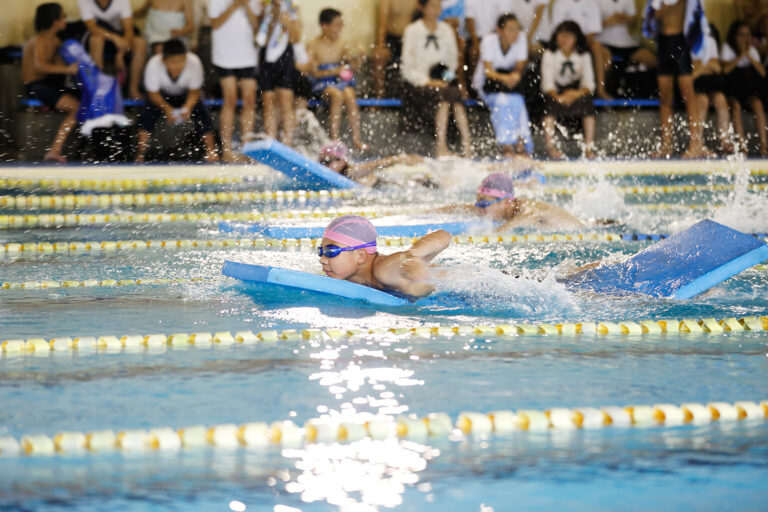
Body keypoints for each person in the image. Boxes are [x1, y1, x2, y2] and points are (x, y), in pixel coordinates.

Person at [319, 215, 451, 299]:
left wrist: (412, 258)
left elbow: (444, 235)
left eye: (331, 251)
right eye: (321, 251)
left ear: (361, 256)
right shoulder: (352, 277)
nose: (322, 259)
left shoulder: (383, 270)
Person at [401, 0, 472, 157]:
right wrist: (427, 81)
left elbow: (452, 61)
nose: (436, 10)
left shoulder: (446, 30)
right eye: (432, 6)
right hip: (419, 83)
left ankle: (467, 144)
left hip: (442, 80)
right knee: (444, 96)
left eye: (438, 6)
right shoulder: (412, 30)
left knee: (454, 93)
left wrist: (443, 77)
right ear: (422, 8)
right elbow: (407, 66)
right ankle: (440, 146)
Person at [642, 0, 709, 158]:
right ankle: (666, 146)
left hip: (680, 43)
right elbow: (653, 16)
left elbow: (695, 14)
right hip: (663, 44)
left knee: (689, 96)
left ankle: (695, 144)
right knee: (665, 98)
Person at [135, 39, 217, 163]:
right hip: (161, 96)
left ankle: (211, 152)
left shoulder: (194, 62)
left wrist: (188, 107)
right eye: (173, 62)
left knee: (202, 113)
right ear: (164, 60)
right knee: (147, 113)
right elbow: (153, 93)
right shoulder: (153, 64)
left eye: (181, 61)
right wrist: (167, 108)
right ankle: (140, 154)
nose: (177, 66)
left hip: (186, 94)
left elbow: (195, 91)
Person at [22, 3, 81, 163]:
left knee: (85, 100)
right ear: (54, 21)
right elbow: (40, 66)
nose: (66, 20)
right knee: (75, 107)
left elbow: (57, 65)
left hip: (50, 83)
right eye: (63, 16)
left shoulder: (55, 40)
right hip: (36, 85)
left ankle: (84, 147)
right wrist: (68, 70)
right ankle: (54, 151)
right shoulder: (38, 40)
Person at [473, 14, 533, 158]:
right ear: (499, 30)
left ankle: (521, 142)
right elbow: (488, 71)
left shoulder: (521, 40)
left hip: (510, 86)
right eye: (511, 29)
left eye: (517, 29)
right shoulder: (488, 41)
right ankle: (507, 146)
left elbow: (519, 67)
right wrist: (506, 78)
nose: (515, 33)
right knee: (502, 101)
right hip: (487, 86)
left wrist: (515, 76)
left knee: (518, 101)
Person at [307, 8, 368, 151]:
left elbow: (353, 66)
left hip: (337, 81)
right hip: (321, 83)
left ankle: (356, 139)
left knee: (350, 94)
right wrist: (335, 70)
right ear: (324, 26)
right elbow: (312, 73)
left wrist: (360, 57)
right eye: (337, 25)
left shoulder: (341, 43)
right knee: (337, 94)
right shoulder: (313, 45)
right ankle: (334, 139)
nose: (340, 28)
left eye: (341, 24)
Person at [208, 0, 260, 163]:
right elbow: (215, 23)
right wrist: (235, 5)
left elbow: (257, 28)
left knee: (249, 101)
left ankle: (247, 149)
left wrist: (246, 6)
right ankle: (227, 149)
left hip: (247, 55)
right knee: (229, 100)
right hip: (225, 56)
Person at [444, 173, 584, 230]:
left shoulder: (527, 211)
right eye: (478, 203)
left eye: (484, 204)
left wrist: (496, 234)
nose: (479, 209)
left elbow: (523, 219)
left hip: (579, 231)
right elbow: (465, 208)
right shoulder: (500, 205)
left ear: (506, 203)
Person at [540, 21, 597, 159]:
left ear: (576, 38)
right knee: (549, 107)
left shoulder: (584, 55)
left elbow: (589, 84)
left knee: (588, 104)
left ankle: (589, 147)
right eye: (562, 35)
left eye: (569, 36)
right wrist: (558, 97)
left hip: (576, 92)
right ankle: (551, 147)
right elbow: (547, 83)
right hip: (556, 93)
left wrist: (574, 94)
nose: (565, 40)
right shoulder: (549, 54)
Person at [78, 0, 147, 99]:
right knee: (95, 40)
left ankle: (133, 89)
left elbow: (128, 29)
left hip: (121, 38)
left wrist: (121, 53)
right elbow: (93, 28)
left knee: (140, 43)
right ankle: (97, 89)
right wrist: (114, 38)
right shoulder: (84, 1)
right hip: (100, 36)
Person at [550, 0, 613, 100]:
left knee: (601, 50)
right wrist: (570, 40)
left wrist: (577, 42)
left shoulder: (592, 4)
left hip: (584, 42)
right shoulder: (559, 4)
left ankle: (601, 89)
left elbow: (592, 33)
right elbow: (559, 30)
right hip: (564, 41)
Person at [722, 20, 767, 155]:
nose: (745, 39)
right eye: (742, 35)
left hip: (747, 91)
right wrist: (741, 54)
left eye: (748, 35)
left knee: (758, 104)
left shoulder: (751, 50)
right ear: (735, 36)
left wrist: (748, 54)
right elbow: (725, 70)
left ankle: (764, 146)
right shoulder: (728, 48)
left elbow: (762, 73)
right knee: (735, 107)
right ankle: (742, 147)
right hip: (731, 90)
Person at [258, 0, 298, 146]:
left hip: (285, 55)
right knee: (268, 101)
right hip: (267, 56)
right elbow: (260, 39)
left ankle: (287, 142)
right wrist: (271, 19)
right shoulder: (265, 7)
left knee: (286, 100)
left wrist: (286, 22)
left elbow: (296, 37)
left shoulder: (292, 7)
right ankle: (271, 140)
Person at [692, 25, 734, 154]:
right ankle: (698, 143)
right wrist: (703, 67)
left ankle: (725, 142)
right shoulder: (689, 42)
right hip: (692, 85)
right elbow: (692, 73)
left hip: (708, 83)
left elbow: (716, 67)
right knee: (703, 100)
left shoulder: (710, 42)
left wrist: (700, 67)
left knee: (720, 99)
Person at [317, 141, 432, 187]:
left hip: (383, 185)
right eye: (322, 162)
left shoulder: (351, 171)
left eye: (327, 161)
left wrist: (398, 158)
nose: (324, 166)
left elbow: (379, 164)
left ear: (342, 162)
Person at [372, 0, 419, 98]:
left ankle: (414, 97)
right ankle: (379, 96)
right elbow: (382, 24)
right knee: (378, 57)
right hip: (392, 39)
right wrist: (381, 45)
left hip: (413, 40)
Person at [595, 0, 657, 70]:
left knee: (652, 60)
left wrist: (624, 18)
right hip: (603, 42)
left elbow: (633, 20)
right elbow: (589, 26)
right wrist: (608, 21)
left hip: (626, 42)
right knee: (604, 64)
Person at [465, 0, 509, 80]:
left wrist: (495, 37)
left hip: (497, 35)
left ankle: (499, 81)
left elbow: (505, 19)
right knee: (474, 52)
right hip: (477, 38)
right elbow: (469, 21)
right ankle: (472, 84)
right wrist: (476, 43)